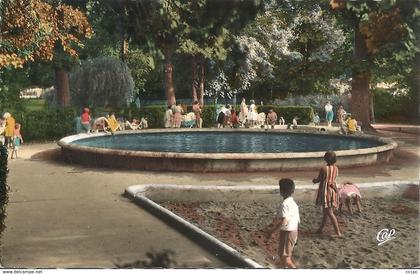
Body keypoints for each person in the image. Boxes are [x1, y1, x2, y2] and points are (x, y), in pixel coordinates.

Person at [265, 178, 300, 268]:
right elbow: (294, 219)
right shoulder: (293, 203)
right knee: (282, 255)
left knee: (286, 258)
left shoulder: (284, 204)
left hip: (288, 232)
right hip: (292, 230)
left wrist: (272, 231)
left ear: (282, 191)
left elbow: (284, 221)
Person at [312, 151, 342, 237]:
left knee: (329, 212)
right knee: (325, 212)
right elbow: (333, 178)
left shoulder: (323, 169)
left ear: (325, 159)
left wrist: (314, 180)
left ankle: (338, 232)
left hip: (326, 191)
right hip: (332, 190)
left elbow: (319, 179)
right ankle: (320, 229)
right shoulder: (336, 168)